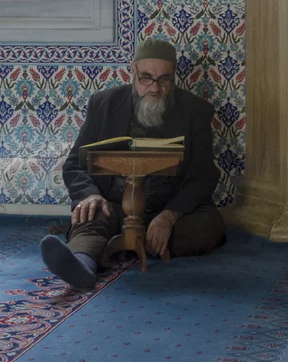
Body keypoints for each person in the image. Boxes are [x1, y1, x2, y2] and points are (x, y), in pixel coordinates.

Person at [40, 38, 226, 289]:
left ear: (173, 78)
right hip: (115, 205)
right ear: (133, 71)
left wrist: (169, 216)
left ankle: (130, 241)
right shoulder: (103, 104)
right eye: (147, 77)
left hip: (167, 208)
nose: (155, 88)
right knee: (90, 216)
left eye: (164, 79)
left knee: (208, 226)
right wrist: (90, 195)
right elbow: (74, 164)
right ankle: (82, 265)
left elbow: (204, 175)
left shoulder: (196, 111)